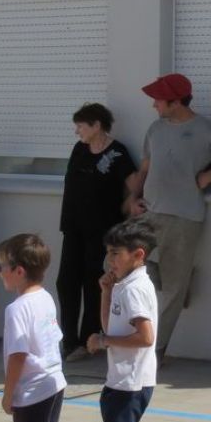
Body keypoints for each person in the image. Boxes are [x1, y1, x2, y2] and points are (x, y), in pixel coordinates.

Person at [127, 74, 211, 359]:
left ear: (176, 101)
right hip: (150, 213)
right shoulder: (155, 129)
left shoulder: (205, 129)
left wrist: (209, 176)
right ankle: (182, 281)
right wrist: (134, 199)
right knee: (115, 261)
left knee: (171, 291)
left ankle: (155, 351)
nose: (154, 105)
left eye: (158, 99)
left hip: (183, 217)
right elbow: (146, 168)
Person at [86, 219, 190, 422]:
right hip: (119, 379)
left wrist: (104, 341)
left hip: (132, 383)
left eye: (116, 254)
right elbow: (111, 325)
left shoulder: (135, 289)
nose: (110, 260)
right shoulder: (123, 285)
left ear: (138, 255)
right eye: (108, 253)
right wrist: (105, 292)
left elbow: (145, 338)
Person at [0, 234, 66, 422]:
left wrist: (8, 393)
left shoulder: (17, 309)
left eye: (1, 267)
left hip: (34, 388)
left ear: (19, 271)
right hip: (52, 382)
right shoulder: (45, 297)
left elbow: (18, 355)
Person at [57, 103, 137, 361]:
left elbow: (135, 184)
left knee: (94, 283)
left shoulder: (117, 153)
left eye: (81, 126)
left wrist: (128, 204)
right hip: (73, 227)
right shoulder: (79, 150)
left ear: (96, 126)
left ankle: (87, 339)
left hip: (102, 231)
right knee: (67, 281)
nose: (77, 131)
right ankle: (68, 340)